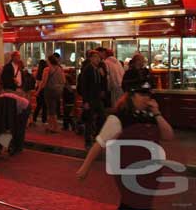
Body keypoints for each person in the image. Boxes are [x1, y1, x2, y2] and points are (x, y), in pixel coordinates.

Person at [77, 77, 174, 210]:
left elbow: (168, 136)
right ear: (131, 96)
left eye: (148, 95)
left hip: (150, 173)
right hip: (130, 173)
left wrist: (157, 113)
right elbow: (100, 143)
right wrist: (85, 167)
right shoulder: (119, 117)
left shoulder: (150, 116)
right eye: (142, 94)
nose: (146, 98)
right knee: (133, 203)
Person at [77, 50, 107, 149]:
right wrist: (85, 101)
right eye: (95, 57)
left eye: (98, 57)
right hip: (90, 98)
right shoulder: (87, 70)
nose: (98, 59)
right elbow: (84, 86)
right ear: (90, 59)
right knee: (89, 120)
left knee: (102, 116)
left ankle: (96, 135)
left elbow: (101, 82)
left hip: (97, 97)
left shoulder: (98, 69)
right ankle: (88, 141)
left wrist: (103, 77)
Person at [37, 54, 65, 133]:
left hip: (49, 90)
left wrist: (38, 91)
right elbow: (64, 81)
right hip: (58, 91)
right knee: (53, 108)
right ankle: (51, 126)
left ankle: (54, 127)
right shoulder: (60, 69)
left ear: (49, 61)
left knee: (50, 109)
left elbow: (43, 82)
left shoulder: (47, 69)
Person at [32, 59, 48, 125]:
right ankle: (44, 120)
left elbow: (36, 81)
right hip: (43, 89)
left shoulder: (37, 72)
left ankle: (34, 118)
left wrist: (37, 91)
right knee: (45, 105)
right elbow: (43, 82)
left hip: (38, 88)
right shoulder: (46, 71)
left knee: (38, 105)